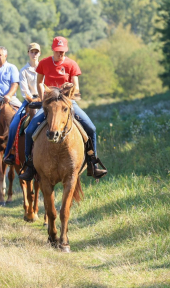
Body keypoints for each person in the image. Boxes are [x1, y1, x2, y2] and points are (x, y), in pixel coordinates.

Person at [19, 36, 107, 181]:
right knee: (29, 130)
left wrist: (71, 87)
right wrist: (42, 99)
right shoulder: (44, 63)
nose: (61, 54)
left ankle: (93, 163)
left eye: (63, 51)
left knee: (91, 128)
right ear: (53, 50)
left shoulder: (72, 64)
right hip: (49, 104)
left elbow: (77, 87)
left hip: (68, 103)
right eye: (58, 51)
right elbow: (40, 82)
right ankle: (29, 166)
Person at [3, 43, 41, 164]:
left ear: (39, 53)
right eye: (32, 52)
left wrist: (42, 98)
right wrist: (32, 100)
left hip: (44, 99)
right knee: (14, 124)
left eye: (36, 52)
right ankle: (9, 153)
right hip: (29, 100)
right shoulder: (23, 70)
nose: (34, 54)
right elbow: (25, 91)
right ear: (28, 53)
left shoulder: (44, 67)